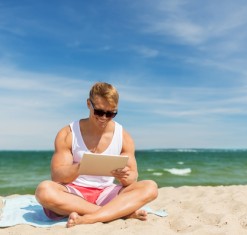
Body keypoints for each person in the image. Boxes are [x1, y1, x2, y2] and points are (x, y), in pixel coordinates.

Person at [35, 82, 158, 228]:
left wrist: (124, 176)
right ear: (89, 104)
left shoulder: (123, 136)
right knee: (44, 190)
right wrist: (81, 167)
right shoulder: (68, 133)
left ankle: (90, 218)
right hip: (74, 194)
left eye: (111, 113)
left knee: (150, 187)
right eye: (99, 112)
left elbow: (132, 179)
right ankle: (120, 213)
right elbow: (57, 176)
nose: (104, 117)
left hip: (107, 193)